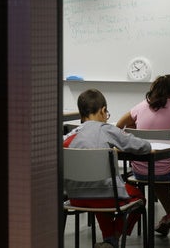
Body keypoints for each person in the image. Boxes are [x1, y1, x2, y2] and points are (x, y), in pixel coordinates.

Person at [116, 74, 170, 236]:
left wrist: (137, 125)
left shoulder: (141, 106)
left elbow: (120, 124)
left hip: (140, 169)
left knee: (155, 169)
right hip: (167, 169)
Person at [64, 89, 152, 248]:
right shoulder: (107, 129)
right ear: (103, 110)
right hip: (106, 196)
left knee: (96, 192)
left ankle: (108, 239)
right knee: (138, 196)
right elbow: (144, 147)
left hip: (75, 196)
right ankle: (113, 239)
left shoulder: (67, 138)